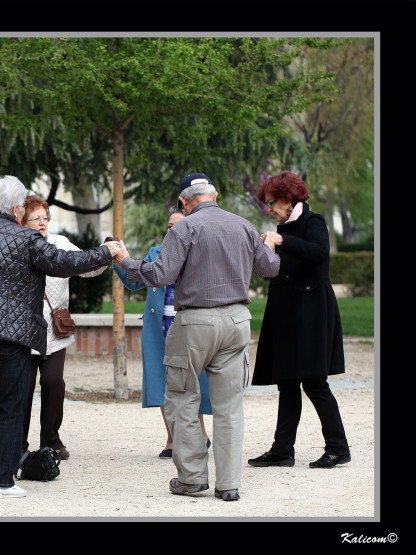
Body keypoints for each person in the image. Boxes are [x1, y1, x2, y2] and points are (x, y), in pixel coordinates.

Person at [0, 175, 121, 500]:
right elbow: (63, 263)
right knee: (10, 405)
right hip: (13, 334)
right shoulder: (26, 239)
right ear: (17, 207)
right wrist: (104, 252)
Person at [112, 172, 280, 502]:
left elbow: (161, 274)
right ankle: (229, 484)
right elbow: (270, 268)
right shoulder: (244, 226)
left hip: (194, 322)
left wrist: (125, 261)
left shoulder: (186, 227)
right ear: (214, 196)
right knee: (230, 406)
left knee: (182, 398)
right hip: (236, 320)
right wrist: (269, 246)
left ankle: (192, 478)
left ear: (185, 203)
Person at [248, 171, 351, 469]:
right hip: (286, 312)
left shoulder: (313, 222)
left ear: (286, 198)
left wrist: (282, 240)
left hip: (311, 312)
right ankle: (282, 450)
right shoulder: (283, 227)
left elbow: (318, 254)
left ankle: (338, 447)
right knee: (287, 382)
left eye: (271, 203)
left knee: (315, 382)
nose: (269, 209)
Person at [113, 209, 212, 459]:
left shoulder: (199, 252)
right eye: (169, 225)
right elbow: (135, 281)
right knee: (161, 380)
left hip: (189, 324)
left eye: (177, 226)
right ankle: (171, 438)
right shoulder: (156, 253)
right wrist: (118, 261)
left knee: (192, 380)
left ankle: (200, 434)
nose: (171, 231)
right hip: (159, 326)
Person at [20, 195, 108, 461]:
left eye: (45, 217)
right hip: (22, 331)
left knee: (53, 382)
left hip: (53, 331)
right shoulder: (16, 245)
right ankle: (17, 443)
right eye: (35, 218)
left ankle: (51, 440)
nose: (42, 223)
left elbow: (85, 268)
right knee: (22, 388)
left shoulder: (59, 244)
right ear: (22, 221)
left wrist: (104, 254)